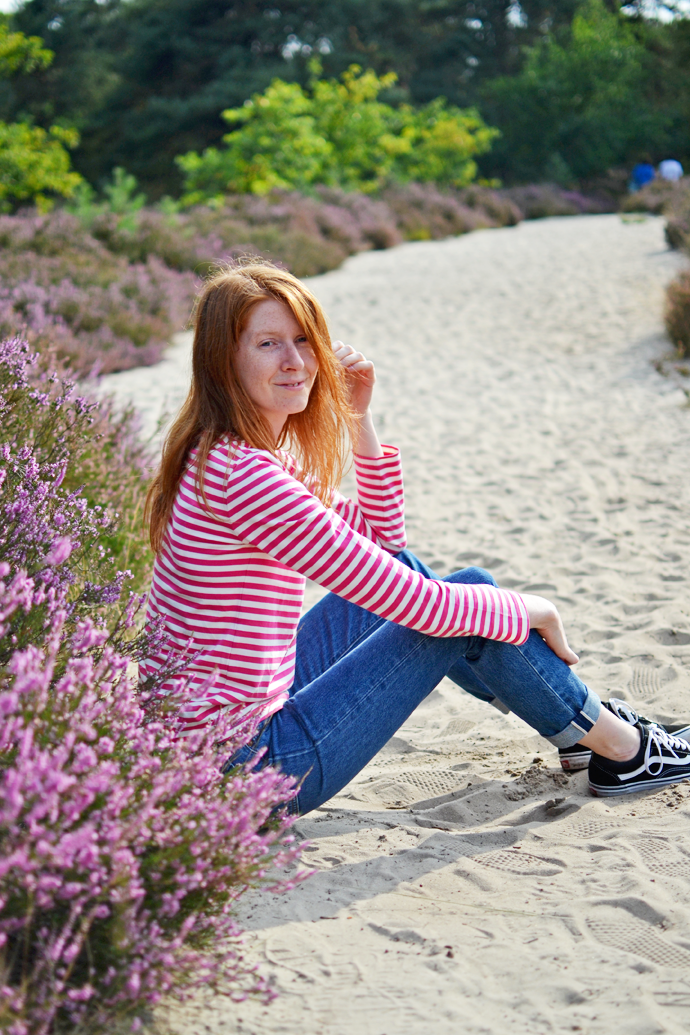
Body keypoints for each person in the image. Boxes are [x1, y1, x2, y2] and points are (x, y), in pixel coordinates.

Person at [141, 262, 690, 815]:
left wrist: (358, 418)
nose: (296, 361)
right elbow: (419, 605)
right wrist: (533, 608)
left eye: (304, 339)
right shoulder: (246, 477)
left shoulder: (235, 450)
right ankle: (623, 748)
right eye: (268, 343)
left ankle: (581, 735)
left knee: (470, 593)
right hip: (247, 771)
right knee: (461, 614)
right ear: (223, 361)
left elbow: (387, 543)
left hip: (228, 734)